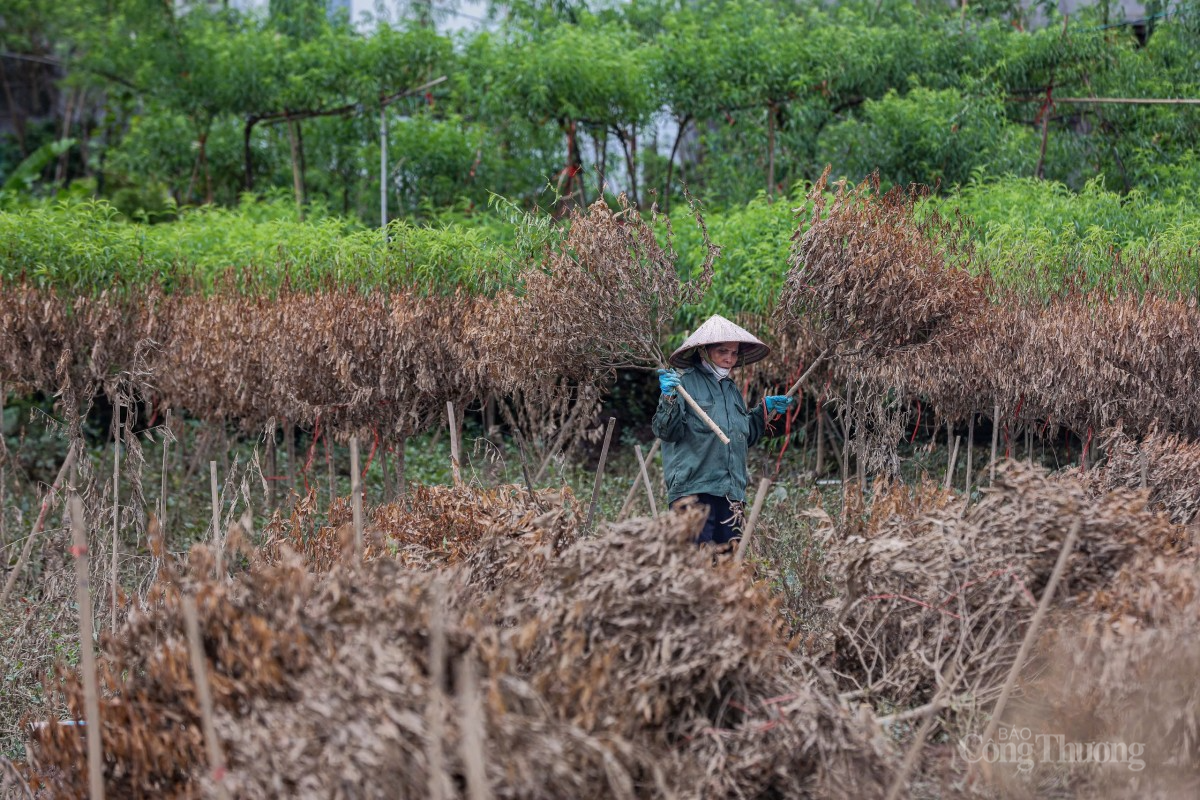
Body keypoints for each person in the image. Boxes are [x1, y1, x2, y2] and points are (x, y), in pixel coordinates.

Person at [651, 314, 794, 550]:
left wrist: (763, 413)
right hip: (694, 491)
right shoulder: (683, 385)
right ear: (704, 352)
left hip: (730, 493)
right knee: (694, 565)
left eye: (734, 353)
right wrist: (668, 397)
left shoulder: (731, 390)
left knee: (730, 568)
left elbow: (741, 437)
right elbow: (666, 431)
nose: (729, 359)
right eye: (722, 351)